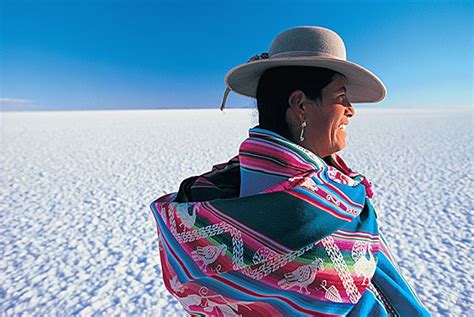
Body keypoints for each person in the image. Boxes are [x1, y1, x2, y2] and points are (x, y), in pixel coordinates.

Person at [150, 26, 430, 316]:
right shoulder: (319, 211)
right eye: (341, 95)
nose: (351, 109)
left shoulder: (213, 195)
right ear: (300, 105)